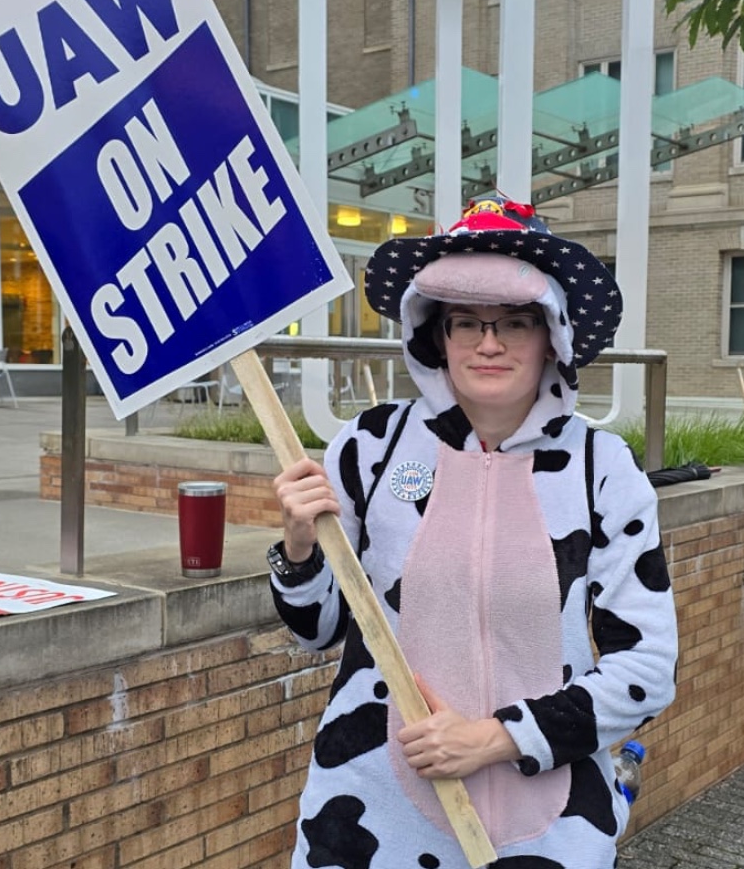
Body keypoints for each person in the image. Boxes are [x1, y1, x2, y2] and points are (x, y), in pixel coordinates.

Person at [268, 197, 678, 869]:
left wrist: (494, 739)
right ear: (436, 334)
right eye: (467, 323)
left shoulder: (604, 472)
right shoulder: (370, 449)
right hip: (368, 823)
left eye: (514, 322)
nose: (489, 343)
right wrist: (299, 548)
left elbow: (647, 672)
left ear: (553, 334)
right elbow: (315, 630)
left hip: (550, 829)